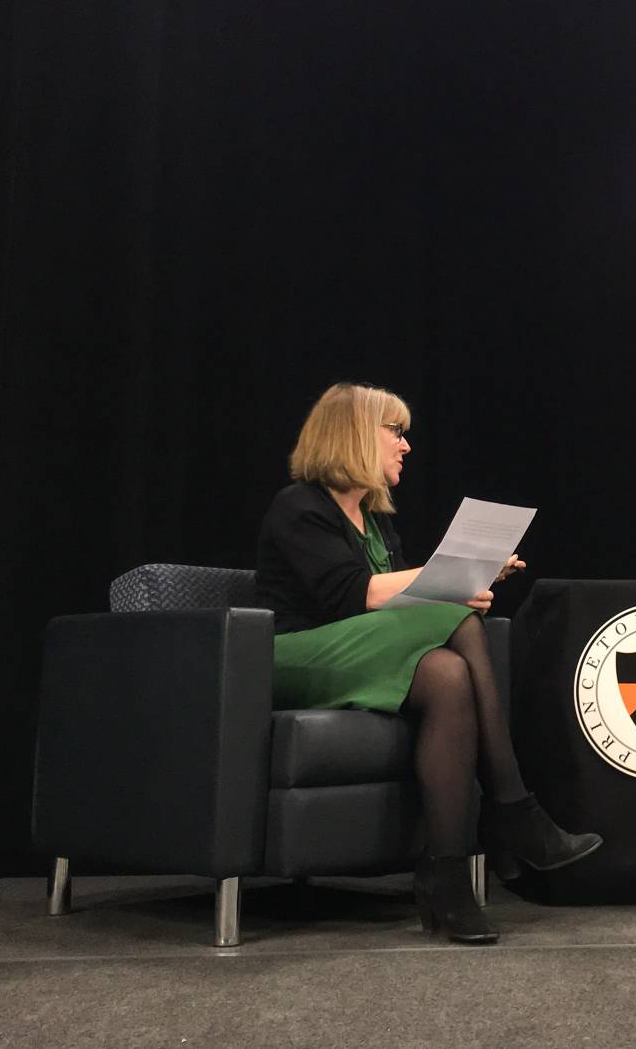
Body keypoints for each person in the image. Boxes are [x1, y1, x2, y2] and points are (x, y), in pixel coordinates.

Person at [256, 381, 601, 945]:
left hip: (361, 652)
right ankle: (514, 810)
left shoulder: (376, 520)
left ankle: (447, 879)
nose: (405, 445)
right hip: (295, 656)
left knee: (449, 675)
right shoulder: (299, 507)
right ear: (355, 435)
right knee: (460, 625)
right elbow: (354, 595)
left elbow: (396, 603)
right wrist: (449, 580)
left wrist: (464, 584)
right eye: (395, 431)